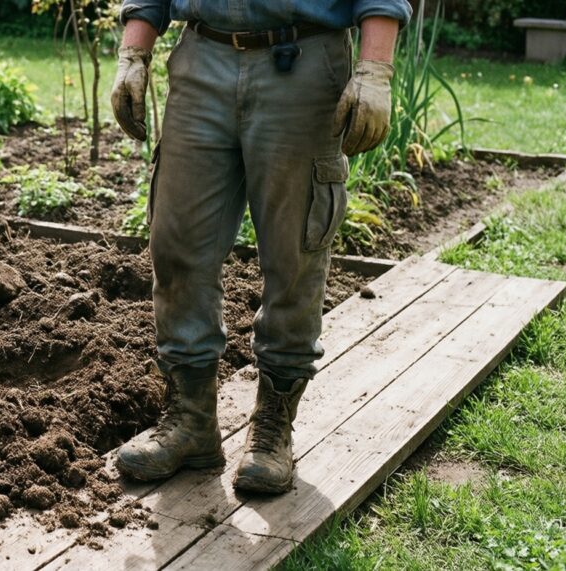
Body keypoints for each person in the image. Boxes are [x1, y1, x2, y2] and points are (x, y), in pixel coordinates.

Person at [111, 0, 412, 493]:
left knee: (294, 251)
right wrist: (134, 53)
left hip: (303, 62)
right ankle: (190, 421)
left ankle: (273, 427)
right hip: (201, 57)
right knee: (177, 241)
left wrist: (375, 69)